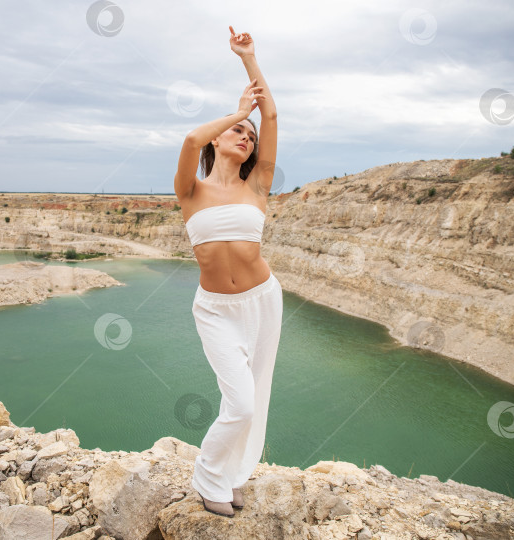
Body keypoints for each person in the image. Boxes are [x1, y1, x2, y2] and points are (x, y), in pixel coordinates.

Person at [173, 26, 283, 518]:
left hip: (263, 300)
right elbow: (191, 136)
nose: (246, 135)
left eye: (251, 135)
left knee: (255, 398)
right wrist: (240, 111)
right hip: (215, 310)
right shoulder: (190, 189)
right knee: (237, 402)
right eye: (239, 130)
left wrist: (250, 60)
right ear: (219, 139)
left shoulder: (257, 184)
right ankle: (209, 477)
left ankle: (236, 476)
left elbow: (273, 114)